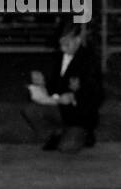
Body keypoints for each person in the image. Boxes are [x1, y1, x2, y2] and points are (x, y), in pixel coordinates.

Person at [21, 21, 103, 152]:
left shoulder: (90, 60)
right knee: (30, 110)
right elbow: (55, 85)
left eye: (67, 44)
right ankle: (57, 133)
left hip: (79, 116)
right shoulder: (60, 57)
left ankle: (84, 134)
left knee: (67, 148)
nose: (63, 49)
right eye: (60, 45)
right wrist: (42, 83)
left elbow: (98, 94)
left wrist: (74, 96)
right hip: (61, 109)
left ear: (77, 40)